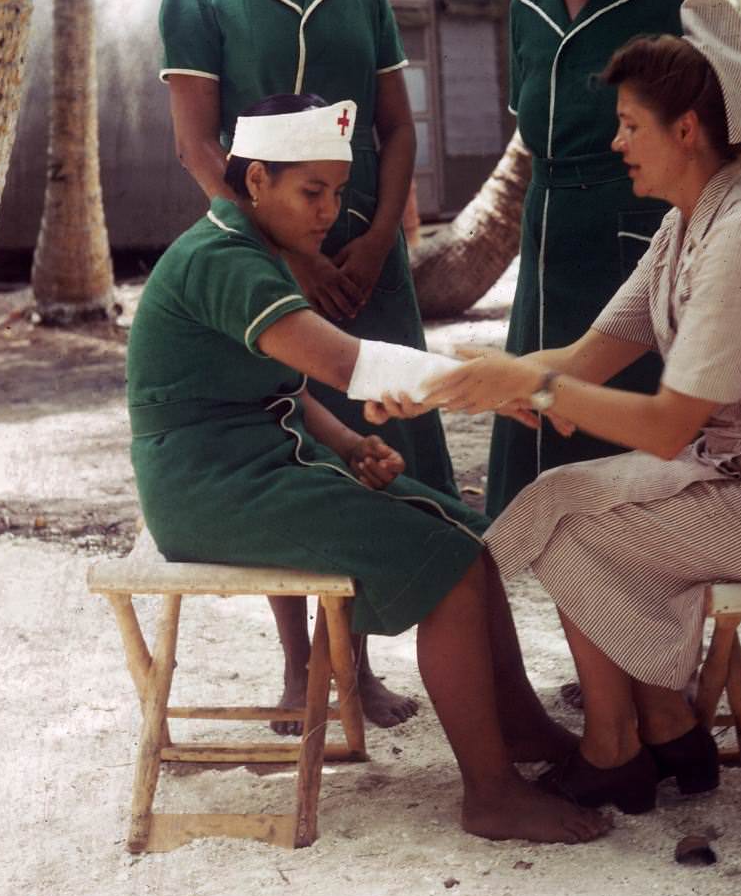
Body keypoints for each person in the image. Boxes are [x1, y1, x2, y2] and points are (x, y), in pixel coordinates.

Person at [378, 0, 741, 814]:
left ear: (686, 132)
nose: (616, 141)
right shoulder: (685, 227)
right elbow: (584, 357)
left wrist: (533, 384)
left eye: (629, 124)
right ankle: (658, 730)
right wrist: (437, 389)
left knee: (571, 520)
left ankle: (627, 739)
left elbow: (665, 425)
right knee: (556, 497)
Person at [126, 92, 608, 845]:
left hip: (248, 465)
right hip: (210, 489)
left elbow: (282, 387)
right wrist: (490, 384)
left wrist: (350, 446)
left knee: (467, 536)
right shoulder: (225, 260)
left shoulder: (249, 247)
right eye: (310, 191)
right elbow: (345, 365)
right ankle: (489, 795)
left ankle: (520, 730)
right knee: (442, 564)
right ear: (256, 182)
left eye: (337, 193)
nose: (327, 211)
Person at [158, 0, 457, 730]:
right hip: (268, 257)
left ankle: (356, 665)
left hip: (366, 256)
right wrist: (279, 244)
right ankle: (301, 670)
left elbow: (397, 126)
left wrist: (373, 243)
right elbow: (197, 148)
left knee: (374, 438)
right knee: (284, 435)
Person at [486, 0, 741, 519]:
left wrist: (713, 229)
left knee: (638, 463)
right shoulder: (525, 6)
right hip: (547, 241)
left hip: (642, 240)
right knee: (539, 426)